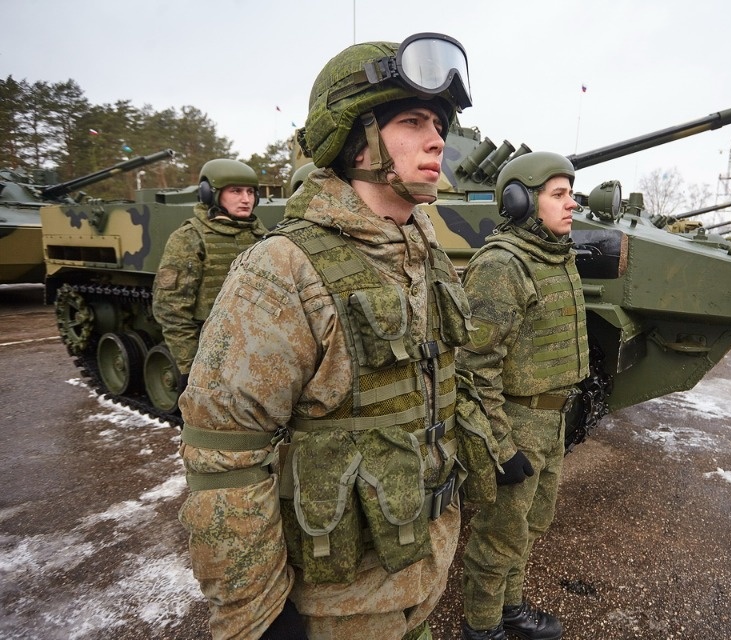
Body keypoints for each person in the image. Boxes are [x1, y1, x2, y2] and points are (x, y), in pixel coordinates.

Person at [176, 33, 486, 640]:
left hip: (421, 571)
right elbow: (226, 460)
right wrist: (256, 619)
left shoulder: (427, 252)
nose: (436, 140)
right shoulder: (283, 269)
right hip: (340, 609)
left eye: (440, 124)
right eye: (414, 121)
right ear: (356, 138)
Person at [458, 152, 590, 640]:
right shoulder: (502, 266)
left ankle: (510, 608)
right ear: (519, 201)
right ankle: (483, 627)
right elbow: (473, 369)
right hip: (514, 423)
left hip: (550, 422)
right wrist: (500, 445)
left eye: (570, 193)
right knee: (498, 536)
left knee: (531, 526)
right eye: (559, 195)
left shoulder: (555, 255)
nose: (572, 203)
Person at [152, 159, 268, 389]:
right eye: (235, 191)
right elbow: (171, 309)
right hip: (213, 355)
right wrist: (190, 365)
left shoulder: (263, 237)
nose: (246, 199)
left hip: (259, 352)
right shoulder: (189, 238)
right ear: (209, 194)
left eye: (250, 192)